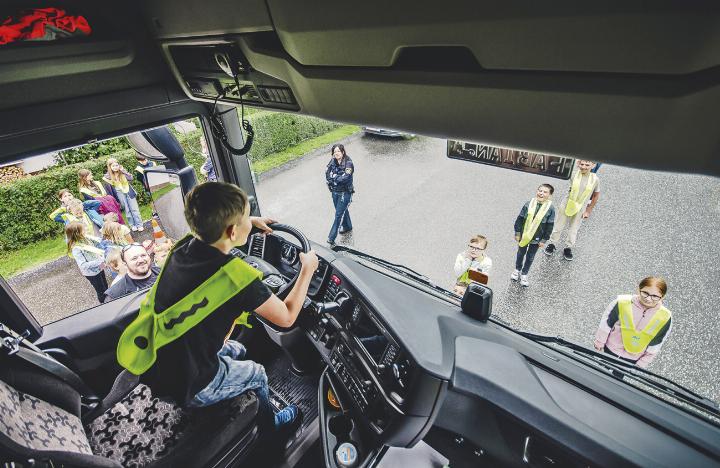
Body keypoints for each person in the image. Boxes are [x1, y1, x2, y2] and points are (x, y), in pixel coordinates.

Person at [116, 182, 319, 436]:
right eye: (246, 217)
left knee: (239, 348)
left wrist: (248, 222)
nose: (250, 220)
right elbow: (287, 317)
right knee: (256, 373)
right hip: (193, 384)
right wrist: (307, 269)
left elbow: (212, 232)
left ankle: (229, 391)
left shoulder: (182, 248)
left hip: (163, 363)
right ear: (233, 231)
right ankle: (271, 428)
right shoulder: (237, 278)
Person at [593, 277, 672, 368]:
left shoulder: (664, 316)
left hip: (633, 357)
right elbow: (607, 323)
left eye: (655, 296)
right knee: (602, 370)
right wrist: (600, 341)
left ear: (662, 296)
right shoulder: (622, 303)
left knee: (618, 378)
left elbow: (657, 342)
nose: (648, 299)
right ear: (638, 289)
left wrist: (643, 361)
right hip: (611, 348)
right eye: (645, 293)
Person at [544, 160, 600, 260]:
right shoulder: (573, 174)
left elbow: (596, 195)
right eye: (582, 164)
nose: (584, 167)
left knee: (574, 229)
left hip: (581, 207)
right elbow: (562, 168)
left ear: (593, 165)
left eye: (587, 165)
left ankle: (568, 247)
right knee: (559, 225)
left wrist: (588, 210)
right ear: (579, 164)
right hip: (567, 203)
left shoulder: (595, 179)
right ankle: (552, 244)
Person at [512, 184, 555, 287]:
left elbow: (550, 225)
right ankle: (517, 269)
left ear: (550, 195)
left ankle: (524, 274)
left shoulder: (551, 209)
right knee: (520, 253)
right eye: (540, 190)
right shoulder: (528, 204)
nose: (541, 193)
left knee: (530, 257)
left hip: (537, 238)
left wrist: (544, 239)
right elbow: (520, 218)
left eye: (545, 192)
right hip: (524, 235)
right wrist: (517, 232)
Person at [65, 221, 108, 303]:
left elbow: (97, 245)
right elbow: (83, 265)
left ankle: (109, 300)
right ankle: (104, 304)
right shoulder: (76, 248)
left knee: (105, 285)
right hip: (92, 273)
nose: (86, 230)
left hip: (99, 268)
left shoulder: (85, 239)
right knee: (101, 291)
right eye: (84, 230)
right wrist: (99, 261)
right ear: (77, 233)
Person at [103, 158, 144, 232]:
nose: (115, 167)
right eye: (113, 166)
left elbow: (131, 178)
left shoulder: (122, 171)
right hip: (120, 193)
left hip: (128, 191)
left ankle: (139, 224)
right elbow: (109, 186)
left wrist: (123, 170)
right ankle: (132, 225)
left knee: (134, 208)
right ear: (110, 167)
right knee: (127, 210)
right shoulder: (108, 176)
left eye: (116, 165)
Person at [325, 143, 354, 246]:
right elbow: (327, 172)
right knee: (341, 210)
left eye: (338, 151)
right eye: (334, 152)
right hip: (334, 192)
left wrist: (334, 178)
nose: (336, 153)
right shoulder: (332, 161)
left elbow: (345, 178)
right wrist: (335, 178)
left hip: (345, 193)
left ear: (342, 152)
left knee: (338, 215)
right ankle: (348, 226)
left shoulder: (349, 163)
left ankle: (331, 238)